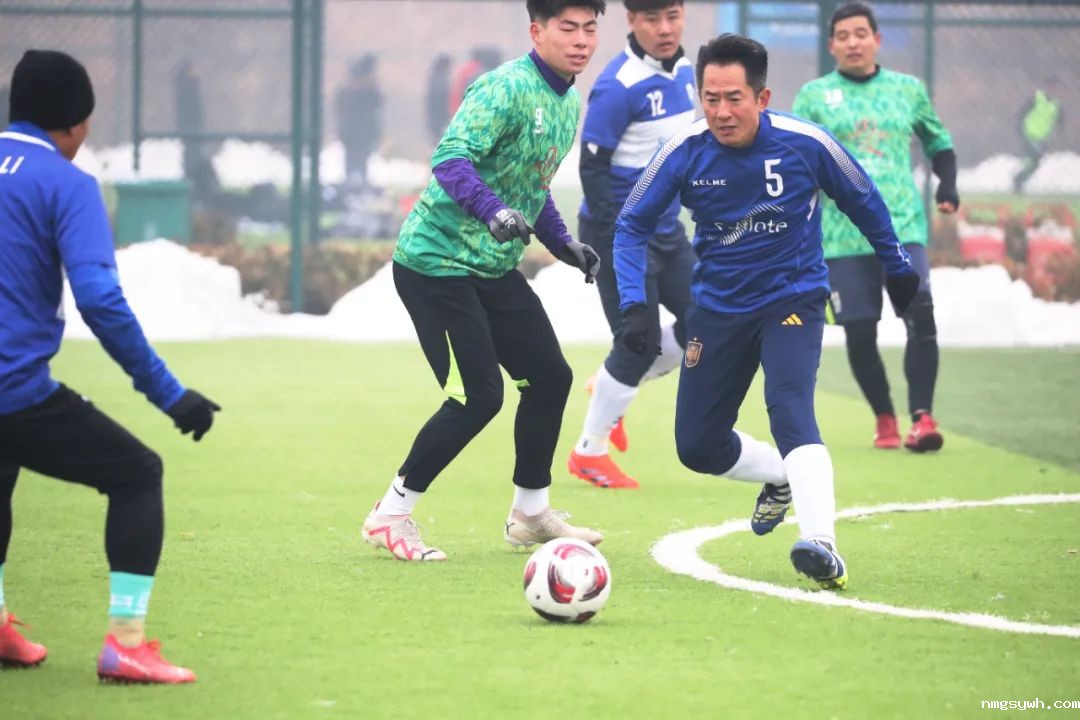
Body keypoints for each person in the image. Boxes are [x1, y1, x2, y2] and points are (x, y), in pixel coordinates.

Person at [614, 34, 920, 589]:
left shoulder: (807, 143)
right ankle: (781, 477)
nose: (721, 112)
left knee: (789, 406)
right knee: (697, 446)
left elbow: (863, 197)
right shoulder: (684, 149)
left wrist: (897, 267)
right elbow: (631, 224)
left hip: (792, 298)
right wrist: (635, 304)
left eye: (734, 98)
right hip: (717, 311)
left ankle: (822, 544)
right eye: (710, 98)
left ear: (762, 96)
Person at [0, 50, 221, 682]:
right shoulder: (67, 182)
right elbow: (99, 299)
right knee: (136, 474)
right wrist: (169, 393)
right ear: (76, 123)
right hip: (13, 391)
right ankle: (126, 644)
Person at [360, 0, 608, 562]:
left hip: (491, 269)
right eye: (568, 28)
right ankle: (390, 515)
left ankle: (530, 513)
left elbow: (531, 185)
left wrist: (562, 243)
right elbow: (450, 160)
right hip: (436, 266)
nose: (581, 40)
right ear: (537, 31)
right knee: (477, 397)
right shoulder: (504, 88)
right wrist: (491, 211)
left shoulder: (567, 99)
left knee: (550, 377)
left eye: (590, 29)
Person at [792, 2, 958, 452]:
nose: (853, 42)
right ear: (831, 45)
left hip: (902, 228)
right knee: (861, 331)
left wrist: (948, 184)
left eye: (861, 33)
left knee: (920, 314)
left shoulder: (907, 90)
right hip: (842, 236)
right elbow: (796, 157)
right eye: (843, 36)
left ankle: (922, 418)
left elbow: (939, 141)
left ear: (876, 40)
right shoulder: (813, 96)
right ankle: (884, 417)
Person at [568, 0, 697, 490]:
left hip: (668, 231)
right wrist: (619, 239)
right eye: (651, 19)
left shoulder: (686, 73)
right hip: (619, 236)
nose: (664, 28)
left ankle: (611, 385)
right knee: (637, 340)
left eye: (672, 16)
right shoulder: (618, 85)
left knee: (710, 317)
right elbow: (592, 169)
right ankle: (589, 453)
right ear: (632, 21)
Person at [173, 61, 220, 204]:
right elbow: (188, 111)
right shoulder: (186, 87)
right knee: (192, 157)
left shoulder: (189, 86)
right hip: (190, 129)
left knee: (195, 156)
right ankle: (194, 188)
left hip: (194, 129)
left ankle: (198, 188)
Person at [335, 54, 383, 187]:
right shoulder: (358, 90)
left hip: (358, 131)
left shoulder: (352, 90)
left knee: (359, 158)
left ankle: (356, 181)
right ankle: (354, 182)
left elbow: (378, 102)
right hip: (356, 132)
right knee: (355, 158)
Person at [1013, 78, 1062, 195]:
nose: (1050, 90)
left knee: (1035, 164)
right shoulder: (1035, 100)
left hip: (1042, 138)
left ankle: (1019, 180)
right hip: (1029, 135)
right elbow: (1021, 113)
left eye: (1053, 88)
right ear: (1044, 88)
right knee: (1031, 160)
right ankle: (1018, 182)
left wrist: (1060, 129)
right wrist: (1019, 129)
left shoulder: (1055, 104)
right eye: (1048, 87)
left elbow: (1059, 118)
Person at [425, 54, 453, 146]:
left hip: (435, 117)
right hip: (439, 118)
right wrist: (445, 117)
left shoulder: (434, 77)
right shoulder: (440, 79)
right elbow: (440, 101)